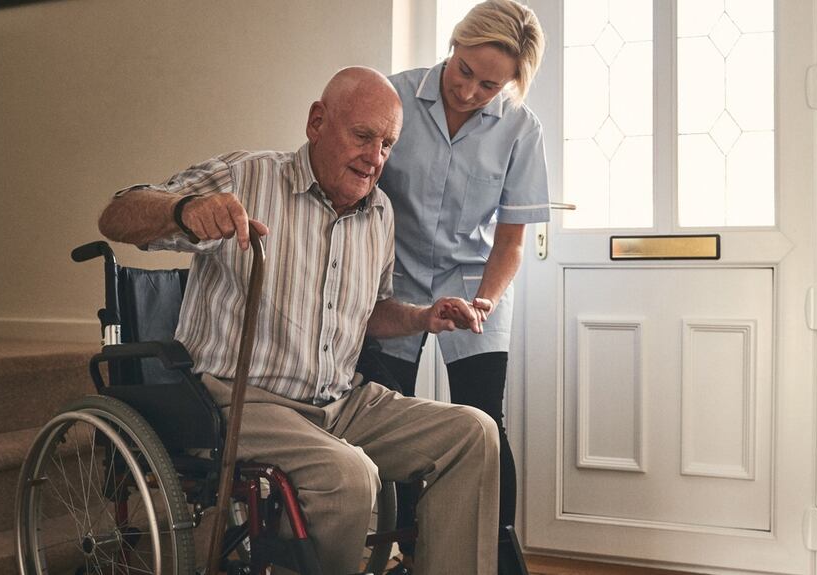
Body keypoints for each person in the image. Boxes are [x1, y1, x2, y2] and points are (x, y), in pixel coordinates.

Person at [97, 66, 500, 575]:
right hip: (240, 398)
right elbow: (116, 214)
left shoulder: (380, 214)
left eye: (387, 145)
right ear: (317, 122)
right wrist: (184, 210)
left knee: (473, 432)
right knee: (347, 475)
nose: (375, 158)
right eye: (363, 137)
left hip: (341, 401)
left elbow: (368, 312)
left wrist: (423, 316)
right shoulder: (247, 177)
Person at [357, 1, 549, 571]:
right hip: (395, 275)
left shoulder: (521, 127)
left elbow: (510, 241)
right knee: (397, 415)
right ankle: (413, 547)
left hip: (475, 279)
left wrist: (486, 298)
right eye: (464, 71)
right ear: (453, 46)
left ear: (512, 83)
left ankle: (495, 552)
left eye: (489, 84)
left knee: (484, 416)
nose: (469, 91)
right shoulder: (394, 98)